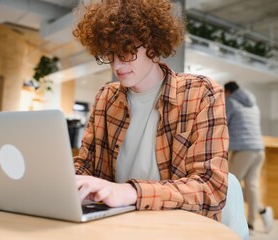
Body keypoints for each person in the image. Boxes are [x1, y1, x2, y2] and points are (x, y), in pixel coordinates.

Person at [72, 0, 229, 221]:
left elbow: (210, 189)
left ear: (153, 46)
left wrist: (132, 192)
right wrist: (62, 180)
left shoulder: (201, 93)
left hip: (178, 227)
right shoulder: (106, 98)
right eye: (110, 54)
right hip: (115, 225)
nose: (117, 65)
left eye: (126, 52)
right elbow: (86, 167)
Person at [224, 81, 274, 233]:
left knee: (231, 185)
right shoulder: (253, 105)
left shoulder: (231, 102)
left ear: (227, 92)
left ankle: (234, 223)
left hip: (243, 150)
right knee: (252, 186)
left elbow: (223, 123)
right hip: (259, 150)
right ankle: (254, 220)